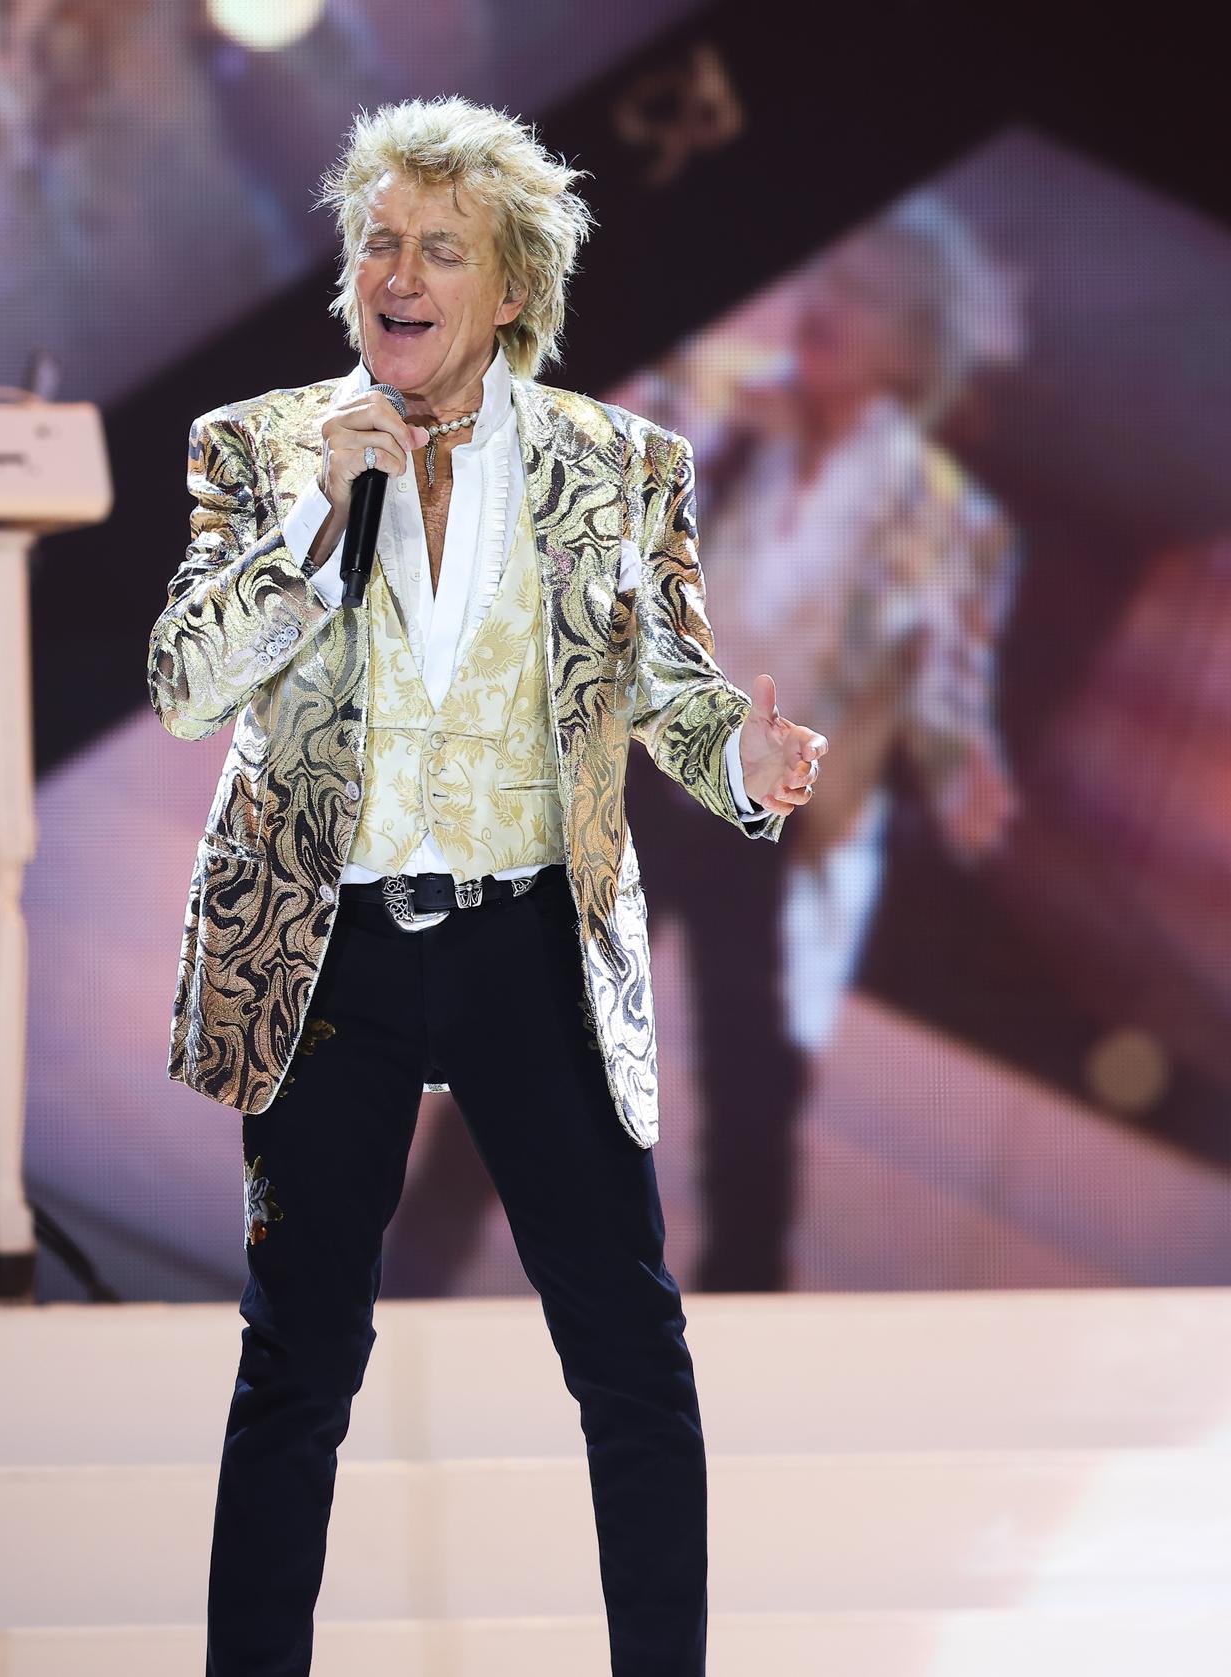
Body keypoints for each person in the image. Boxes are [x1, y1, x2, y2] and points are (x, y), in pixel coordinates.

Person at [148, 99, 828, 1676]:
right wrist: (319, 512)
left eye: (438, 249)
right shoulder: (258, 450)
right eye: (379, 242)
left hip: (531, 940)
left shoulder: (617, 465)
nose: (396, 272)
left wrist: (750, 762)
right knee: (298, 1361)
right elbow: (185, 684)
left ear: (509, 285)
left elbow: (673, 685)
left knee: (631, 1357)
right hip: (333, 955)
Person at [629, 196, 1020, 1291]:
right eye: (828, 277)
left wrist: (964, 769)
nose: (826, 305)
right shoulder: (735, 409)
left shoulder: (938, 510)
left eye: (864, 295)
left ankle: (743, 1322)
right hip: (659, 763)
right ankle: (420, 1257)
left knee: (749, 1095)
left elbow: (950, 678)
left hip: (783, 819)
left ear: (913, 345)